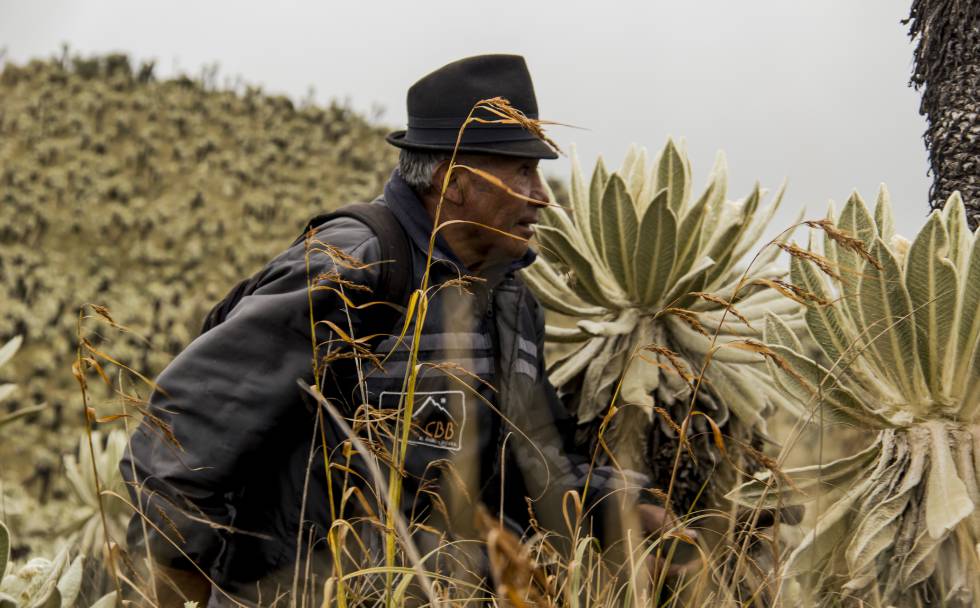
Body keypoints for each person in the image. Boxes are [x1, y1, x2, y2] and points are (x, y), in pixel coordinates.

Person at [121, 54, 686, 607]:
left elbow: (533, 464)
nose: (542, 194)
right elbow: (183, 433)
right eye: (523, 171)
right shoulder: (352, 265)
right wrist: (176, 580)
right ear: (457, 181)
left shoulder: (512, 302)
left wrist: (622, 510)